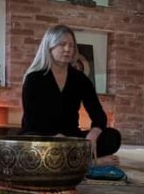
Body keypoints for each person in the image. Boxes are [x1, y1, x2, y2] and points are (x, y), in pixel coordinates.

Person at [21, 25, 121, 166]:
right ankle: (88, 163)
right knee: (29, 145)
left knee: (112, 137)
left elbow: (99, 115)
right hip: (42, 136)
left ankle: (70, 160)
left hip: (71, 137)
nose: (67, 49)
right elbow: (32, 120)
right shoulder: (33, 78)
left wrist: (93, 134)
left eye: (71, 46)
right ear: (49, 47)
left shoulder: (80, 79)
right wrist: (54, 137)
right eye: (62, 44)